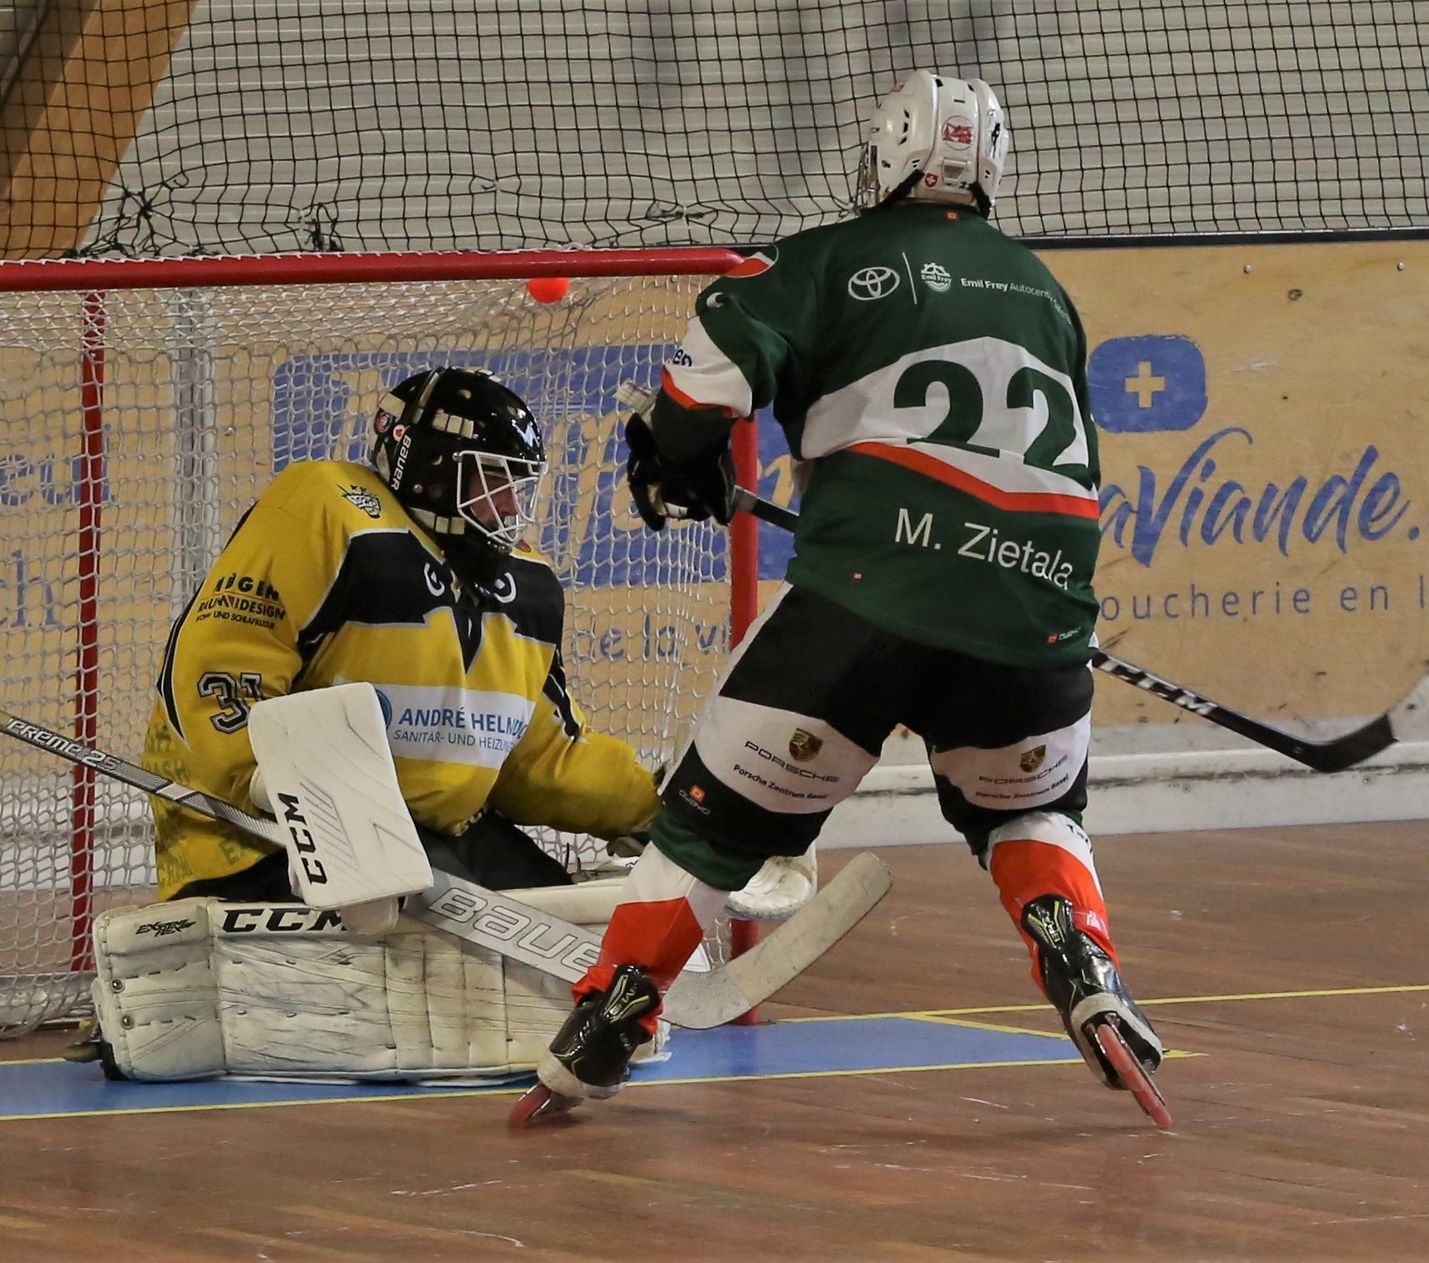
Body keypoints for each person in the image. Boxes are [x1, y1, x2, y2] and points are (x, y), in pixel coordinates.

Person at [531, 72, 1166, 1121]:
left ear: (886, 156)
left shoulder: (823, 259)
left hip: (863, 604)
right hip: (1041, 613)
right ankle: (1082, 959)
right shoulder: (1045, 290)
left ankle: (616, 1009)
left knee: (711, 826)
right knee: (1033, 806)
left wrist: (674, 458)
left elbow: (708, 382)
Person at [141, 366, 661, 905]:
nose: (510, 506)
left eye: (517, 485)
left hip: (433, 833)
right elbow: (219, 667)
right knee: (469, 917)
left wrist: (657, 813)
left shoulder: (527, 585)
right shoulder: (327, 512)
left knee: (572, 920)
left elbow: (542, 758)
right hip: (264, 837)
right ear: (431, 468)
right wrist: (264, 776)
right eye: (491, 480)